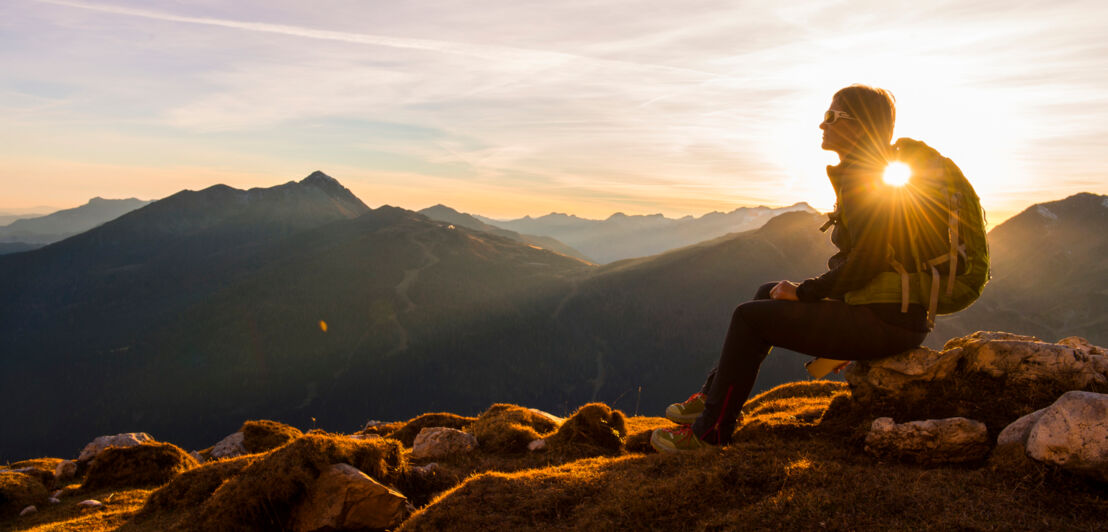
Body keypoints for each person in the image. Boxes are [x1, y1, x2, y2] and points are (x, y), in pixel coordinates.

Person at [651, 84, 940, 452]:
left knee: (749, 318)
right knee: (766, 292)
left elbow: (869, 261)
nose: (822, 124)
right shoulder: (872, 173)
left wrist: (806, 292)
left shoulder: (871, 181)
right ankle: (710, 401)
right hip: (889, 314)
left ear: (860, 125)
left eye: (833, 116)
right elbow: (875, 262)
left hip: (887, 323)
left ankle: (710, 433)